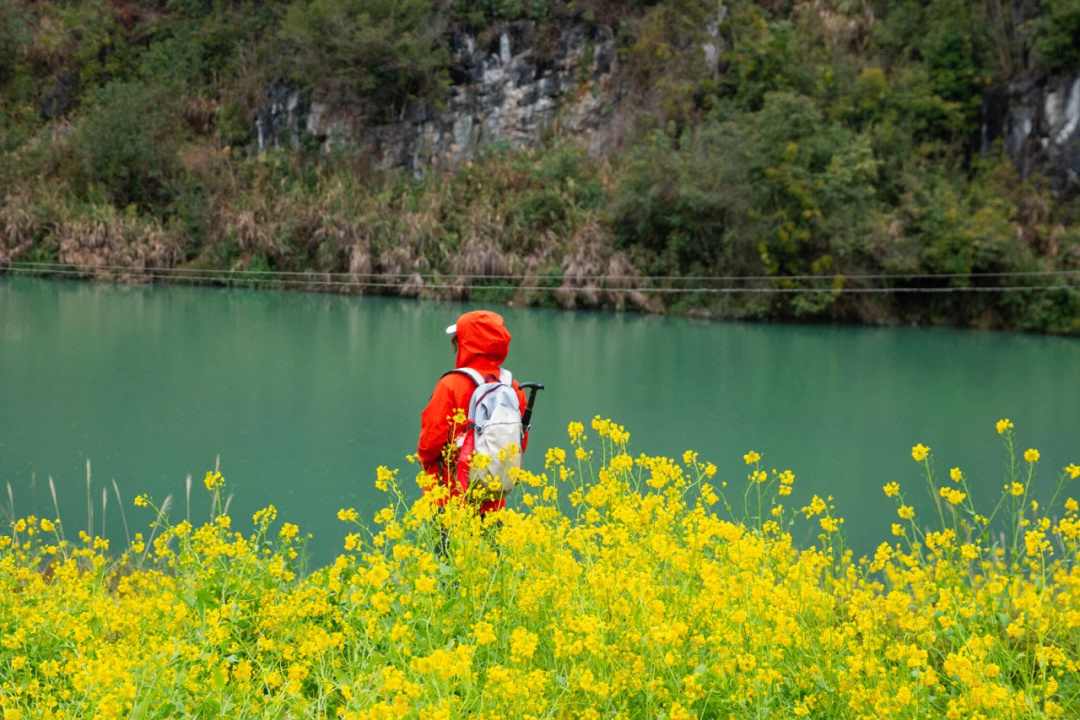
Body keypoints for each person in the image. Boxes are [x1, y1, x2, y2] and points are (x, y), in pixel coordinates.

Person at [417, 310, 529, 516]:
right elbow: (519, 444)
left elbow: (429, 443)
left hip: (448, 503)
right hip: (492, 504)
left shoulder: (450, 385)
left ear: (465, 343)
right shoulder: (514, 388)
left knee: (446, 549)